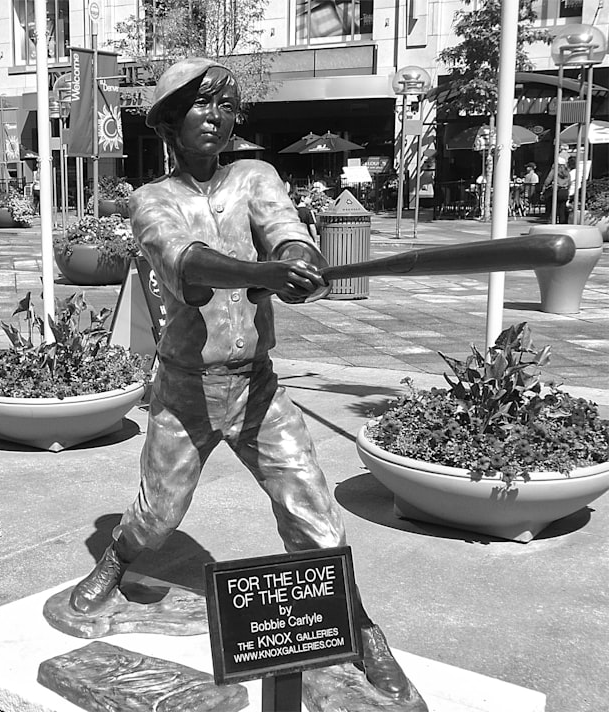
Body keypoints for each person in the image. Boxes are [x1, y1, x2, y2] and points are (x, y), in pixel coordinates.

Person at [66, 57, 411, 700]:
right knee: (157, 518)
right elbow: (186, 266)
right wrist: (265, 277)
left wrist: (299, 262)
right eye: (200, 105)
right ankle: (117, 560)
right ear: (170, 123)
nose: (215, 116)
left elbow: (285, 231)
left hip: (257, 386)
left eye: (224, 105)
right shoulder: (151, 200)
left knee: (315, 518)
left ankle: (360, 631)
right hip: (185, 390)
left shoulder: (255, 175)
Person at [542, 155, 571, 224]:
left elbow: (548, 180)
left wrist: (544, 187)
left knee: (553, 207)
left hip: (557, 191)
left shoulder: (554, 171)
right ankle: (562, 222)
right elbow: (569, 182)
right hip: (565, 191)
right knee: (562, 208)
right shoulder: (567, 172)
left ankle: (553, 222)